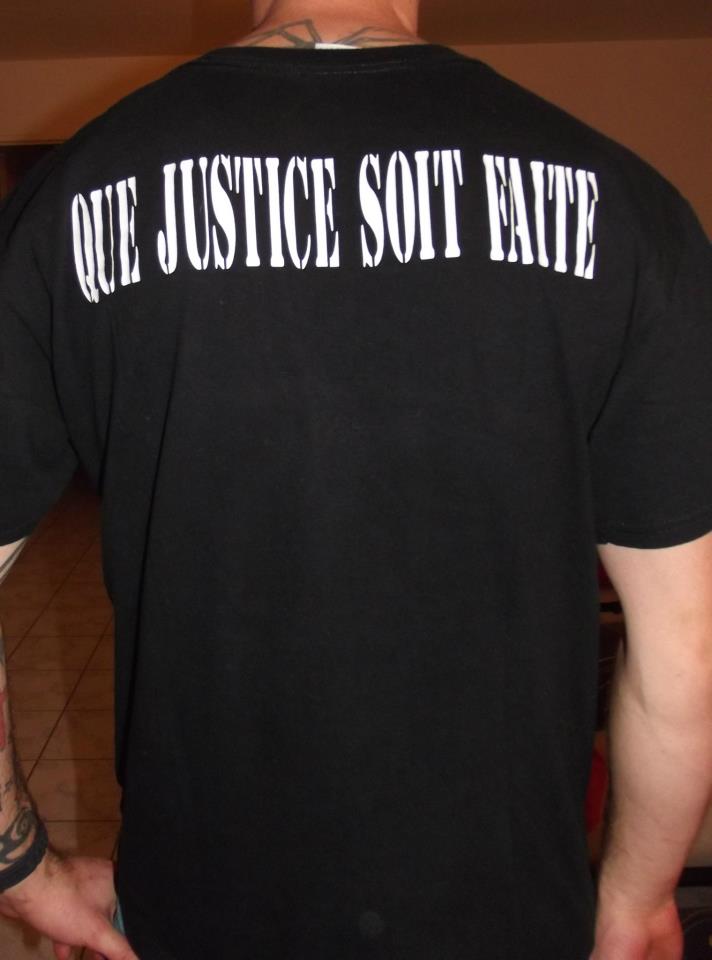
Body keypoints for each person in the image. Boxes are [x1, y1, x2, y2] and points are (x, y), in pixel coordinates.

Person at [0, 1, 711, 958]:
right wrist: (637, 898)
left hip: (199, 918)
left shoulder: (74, 198)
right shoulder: (624, 208)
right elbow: (687, 645)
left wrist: (20, 870)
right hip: (504, 919)